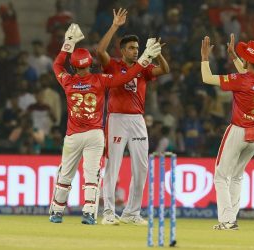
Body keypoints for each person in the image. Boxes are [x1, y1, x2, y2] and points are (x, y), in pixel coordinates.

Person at [49, 23, 162, 225]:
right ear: (91, 64)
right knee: (92, 175)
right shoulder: (100, 80)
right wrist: (144, 60)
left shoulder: (67, 81)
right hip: (94, 134)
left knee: (66, 173)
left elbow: (57, 66)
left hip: (73, 135)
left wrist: (68, 44)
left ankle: (56, 212)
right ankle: (89, 214)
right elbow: (126, 76)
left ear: (74, 67)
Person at [97, 8, 170, 226]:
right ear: (122, 50)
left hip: (138, 120)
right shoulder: (113, 65)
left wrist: (156, 53)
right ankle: (109, 213)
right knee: (113, 165)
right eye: (131, 48)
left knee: (142, 166)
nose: (135, 51)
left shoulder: (143, 67)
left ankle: (132, 213)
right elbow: (100, 50)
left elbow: (165, 70)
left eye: (137, 48)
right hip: (117, 119)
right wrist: (115, 26)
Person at [201, 34, 254, 230]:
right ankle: (231, 218)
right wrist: (234, 56)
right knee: (238, 176)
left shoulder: (240, 80)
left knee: (221, 176)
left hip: (238, 131)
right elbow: (247, 74)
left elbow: (207, 78)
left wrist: (205, 57)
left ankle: (227, 220)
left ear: (248, 60)